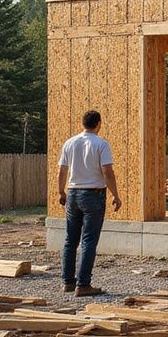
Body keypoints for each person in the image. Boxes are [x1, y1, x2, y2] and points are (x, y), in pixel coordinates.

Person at [57, 110, 121, 296]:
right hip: (93, 195)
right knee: (88, 241)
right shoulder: (100, 144)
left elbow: (62, 171)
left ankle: (68, 282)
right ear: (98, 124)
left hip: (73, 194)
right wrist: (115, 195)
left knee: (70, 240)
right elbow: (107, 172)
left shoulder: (70, 143)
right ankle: (83, 285)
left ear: (82, 123)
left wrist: (61, 192)